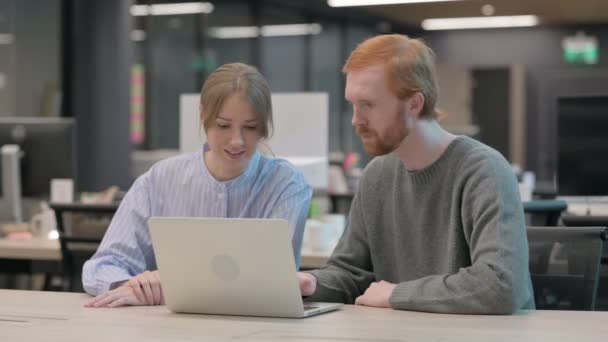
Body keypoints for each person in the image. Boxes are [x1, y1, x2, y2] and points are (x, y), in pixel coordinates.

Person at [297, 34, 534, 314]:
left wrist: (396, 294)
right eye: (353, 104)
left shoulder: (484, 171)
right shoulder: (377, 175)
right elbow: (351, 273)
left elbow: (501, 285)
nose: (355, 120)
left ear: (414, 104)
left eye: (368, 105)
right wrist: (311, 282)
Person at [83, 63, 312, 307]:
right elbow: (102, 266)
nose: (237, 141)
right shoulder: (160, 179)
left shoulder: (286, 185)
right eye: (224, 125)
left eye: (250, 127)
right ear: (203, 114)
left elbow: (270, 282)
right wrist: (134, 287)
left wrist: (169, 287)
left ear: (264, 124)